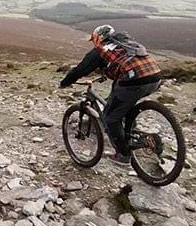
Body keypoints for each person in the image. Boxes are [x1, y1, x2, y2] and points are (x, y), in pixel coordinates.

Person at [60, 25, 162, 166]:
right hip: (155, 77)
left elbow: (80, 70)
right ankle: (130, 131)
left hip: (133, 81)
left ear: (98, 38)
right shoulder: (127, 43)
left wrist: (65, 82)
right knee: (120, 103)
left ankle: (123, 155)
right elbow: (122, 62)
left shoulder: (100, 50)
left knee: (110, 118)